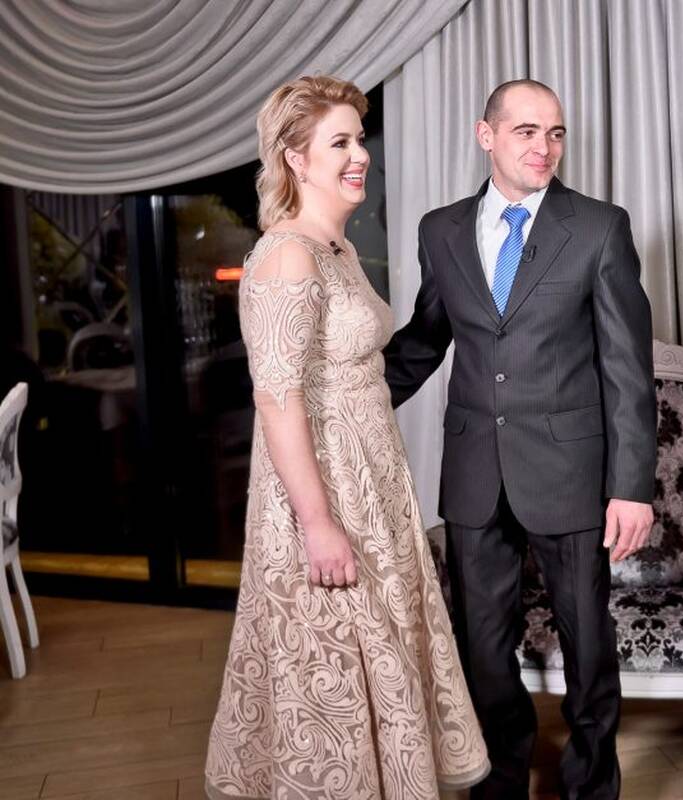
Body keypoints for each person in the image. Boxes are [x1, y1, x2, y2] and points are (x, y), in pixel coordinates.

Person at [205, 76, 489, 800]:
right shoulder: (286, 256)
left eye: (358, 140)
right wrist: (318, 524)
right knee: (334, 664)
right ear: (296, 159)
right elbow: (276, 401)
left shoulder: (335, 248)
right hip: (324, 495)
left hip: (371, 485)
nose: (359, 155)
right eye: (339, 143)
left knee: (383, 653)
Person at [383, 79, 656, 800]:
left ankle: (590, 784)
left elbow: (627, 370)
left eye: (555, 133)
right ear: (487, 136)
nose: (544, 147)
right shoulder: (440, 229)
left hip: (570, 471)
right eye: (526, 132)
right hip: (474, 468)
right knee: (481, 643)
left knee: (587, 642)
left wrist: (631, 487)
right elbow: (425, 338)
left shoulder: (598, 227)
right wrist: (350, 399)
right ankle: (499, 778)